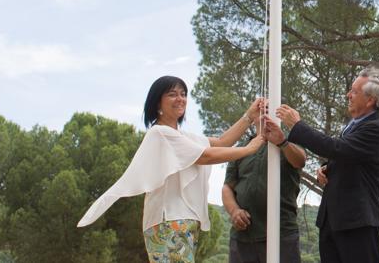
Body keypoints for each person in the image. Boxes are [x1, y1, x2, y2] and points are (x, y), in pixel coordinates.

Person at [78, 76, 265, 262]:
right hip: (169, 221)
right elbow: (205, 156)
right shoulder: (160, 133)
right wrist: (249, 149)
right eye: (172, 94)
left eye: (183, 94)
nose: (180, 99)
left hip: (182, 221)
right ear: (157, 102)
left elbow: (223, 142)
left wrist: (249, 116)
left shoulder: (182, 137)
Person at [259, 67, 379, 263]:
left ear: (371, 99)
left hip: (357, 224)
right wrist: (328, 169)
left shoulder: (377, 128)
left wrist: (297, 126)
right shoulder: (353, 126)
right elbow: (350, 158)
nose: (348, 94)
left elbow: (337, 148)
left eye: (354, 91)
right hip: (334, 221)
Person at [222, 118, 307, 263]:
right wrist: (234, 211)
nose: (264, 113)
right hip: (243, 236)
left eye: (269, 107)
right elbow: (227, 187)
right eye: (261, 108)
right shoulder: (242, 148)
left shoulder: (289, 143)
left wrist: (282, 142)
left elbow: (300, 160)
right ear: (254, 117)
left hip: (282, 234)